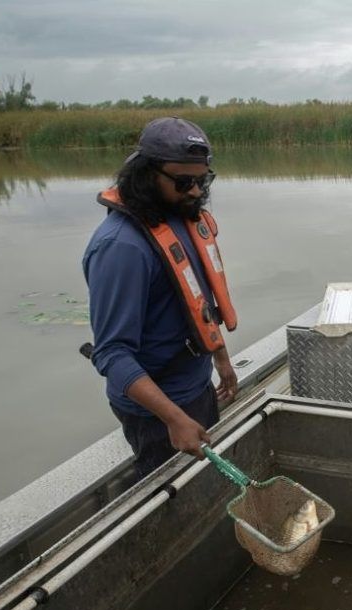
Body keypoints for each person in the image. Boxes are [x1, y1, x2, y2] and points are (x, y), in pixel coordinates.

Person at [83, 117, 239, 480]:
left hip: (197, 385)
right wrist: (174, 419)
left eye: (203, 180)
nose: (196, 191)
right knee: (173, 499)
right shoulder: (121, 248)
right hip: (158, 414)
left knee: (206, 486)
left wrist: (221, 358)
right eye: (184, 182)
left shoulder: (181, 218)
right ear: (146, 174)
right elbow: (111, 353)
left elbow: (198, 302)